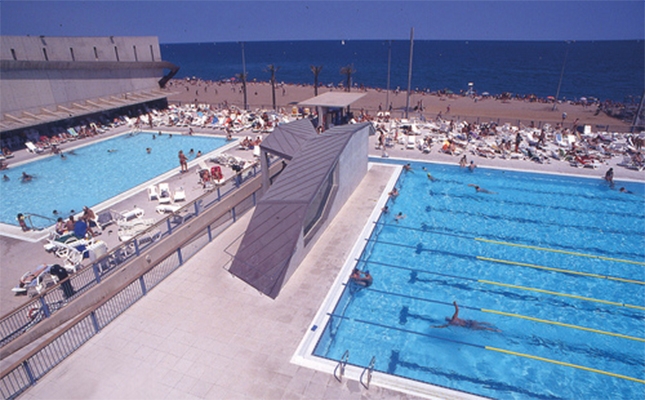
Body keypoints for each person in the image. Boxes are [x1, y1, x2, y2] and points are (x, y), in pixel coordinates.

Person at [433, 301, 500, 332]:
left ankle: (495, 330)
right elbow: (457, 310)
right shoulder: (454, 318)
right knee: (480, 323)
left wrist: (435, 327)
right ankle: (491, 325)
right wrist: (455, 304)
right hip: (469, 322)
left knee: (483, 328)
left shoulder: (450, 323)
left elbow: (442, 326)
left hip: (468, 326)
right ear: (449, 318)